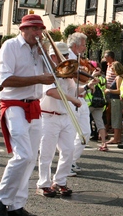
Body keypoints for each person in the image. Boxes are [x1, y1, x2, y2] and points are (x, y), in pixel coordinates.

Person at [0, 14, 55, 216]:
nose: (39, 33)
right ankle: (1, 198)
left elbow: (53, 74)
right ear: (23, 29)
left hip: (34, 105)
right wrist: (38, 78)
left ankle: (17, 204)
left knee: (30, 158)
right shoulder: (10, 46)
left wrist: (45, 54)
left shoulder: (38, 49)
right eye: (35, 29)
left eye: (40, 29)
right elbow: (5, 80)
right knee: (23, 155)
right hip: (14, 104)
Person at [37, 41, 79, 198]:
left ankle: (60, 181)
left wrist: (88, 85)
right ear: (53, 57)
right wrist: (73, 100)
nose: (67, 58)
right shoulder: (47, 72)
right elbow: (51, 92)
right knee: (47, 152)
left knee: (68, 150)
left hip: (65, 116)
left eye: (67, 55)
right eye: (64, 56)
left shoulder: (67, 75)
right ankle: (43, 184)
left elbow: (74, 91)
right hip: (49, 116)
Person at [66, 32, 92, 169]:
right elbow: (72, 78)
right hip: (72, 99)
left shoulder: (77, 58)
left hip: (80, 98)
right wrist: (86, 81)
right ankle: (68, 163)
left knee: (85, 133)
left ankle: (71, 161)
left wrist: (88, 84)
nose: (84, 47)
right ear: (75, 45)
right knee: (73, 134)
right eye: (83, 45)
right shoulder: (68, 58)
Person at [104, 62, 123, 146]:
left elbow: (119, 90)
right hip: (117, 100)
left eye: (112, 68)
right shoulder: (120, 77)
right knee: (117, 119)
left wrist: (108, 90)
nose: (112, 70)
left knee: (116, 118)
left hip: (116, 100)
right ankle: (117, 137)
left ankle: (116, 138)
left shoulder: (119, 77)